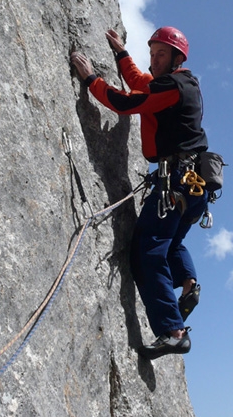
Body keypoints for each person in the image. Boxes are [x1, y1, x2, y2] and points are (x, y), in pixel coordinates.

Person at [71, 26, 209, 360]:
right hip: (194, 186)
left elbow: (125, 101)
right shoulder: (180, 86)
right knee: (171, 243)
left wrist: (91, 79)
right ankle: (188, 284)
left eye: (161, 54)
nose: (154, 59)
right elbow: (140, 82)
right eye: (152, 53)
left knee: (147, 252)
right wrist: (120, 52)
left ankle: (174, 332)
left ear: (178, 58)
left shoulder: (174, 87)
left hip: (174, 182)